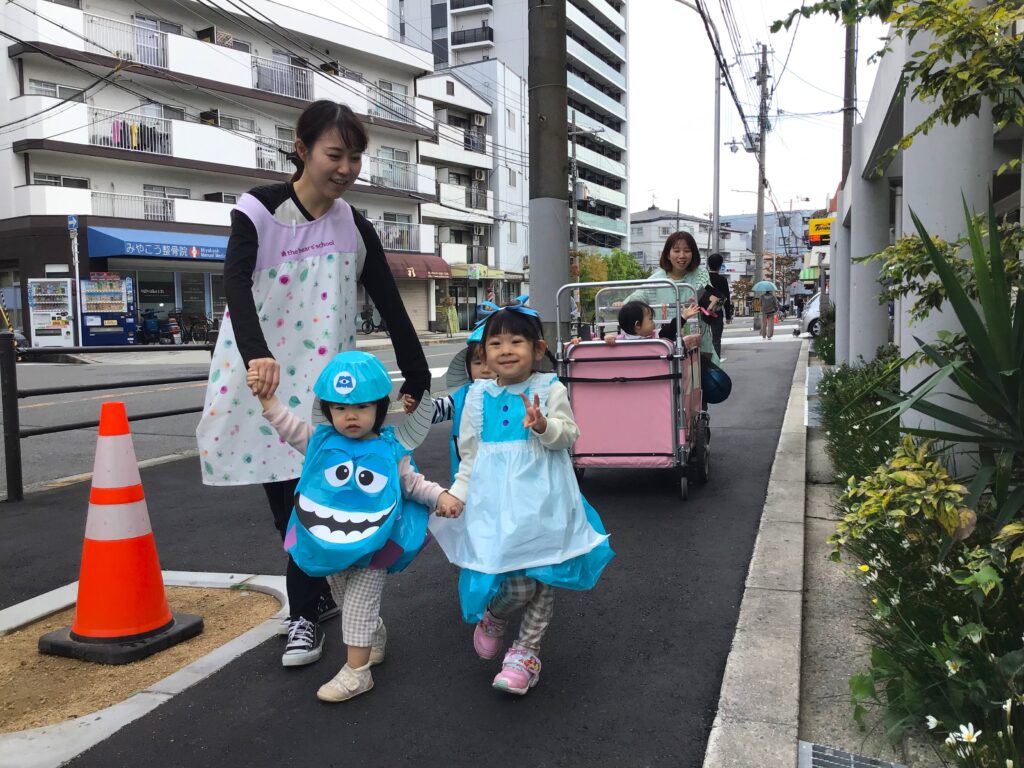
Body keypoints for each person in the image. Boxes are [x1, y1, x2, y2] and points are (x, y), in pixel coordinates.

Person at [196, 101, 431, 669]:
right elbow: (235, 285)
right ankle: (319, 597)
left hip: (330, 385)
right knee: (285, 506)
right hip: (263, 378)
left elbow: (387, 299)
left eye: (355, 156)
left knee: (316, 497)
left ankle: (304, 615)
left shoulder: (354, 225)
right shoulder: (258, 209)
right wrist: (257, 355)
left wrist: (415, 368)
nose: (346, 167)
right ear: (302, 150)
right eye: (335, 154)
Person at [248, 351, 463, 702]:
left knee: (359, 605)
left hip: (373, 546)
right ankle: (372, 635)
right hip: (327, 545)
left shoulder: (390, 449)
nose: (350, 416)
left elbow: (412, 483)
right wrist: (267, 398)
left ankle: (357, 673)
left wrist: (440, 496)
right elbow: (287, 425)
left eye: (362, 407)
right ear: (327, 409)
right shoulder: (319, 442)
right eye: (340, 408)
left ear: (379, 408)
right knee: (347, 601)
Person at [430, 303, 615, 696]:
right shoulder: (478, 397)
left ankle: (525, 655)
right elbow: (471, 456)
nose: (506, 349)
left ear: (538, 348)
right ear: (483, 354)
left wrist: (544, 425)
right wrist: (457, 495)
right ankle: (495, 616)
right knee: (517, 587)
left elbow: (569, 435)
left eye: (516, 340)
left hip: (545, 503)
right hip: (499, 509)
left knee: (544, 581)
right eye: (495, 342)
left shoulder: (549, 389)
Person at [402, 325, 495, 482]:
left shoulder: (513, 394)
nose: (485, 370)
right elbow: (437, 410)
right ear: (467, 367)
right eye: (477, 363)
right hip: (466, 479)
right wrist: (418, 405)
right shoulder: (462, 396)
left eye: (490, 363)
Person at [625, 231, 719, 365]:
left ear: (693, 254)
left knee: (712, 383)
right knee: (671, 382)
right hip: (667, 344)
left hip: (697, 343)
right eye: (676, 251)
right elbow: (639, 296)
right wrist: (622, 304)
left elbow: (706, 292)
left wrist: (707, 301)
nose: (682, 255)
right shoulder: (656, 279)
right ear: (668, 255)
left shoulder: (700, 274)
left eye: (687, 251)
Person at [603, 299, 700, 344]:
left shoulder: (658, 335)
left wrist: (683, 317)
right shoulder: (620, 340)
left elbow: (672, 328)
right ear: (638, 325)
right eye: (650, 318)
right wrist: (608, 339)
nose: (653, 321)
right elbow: (603, 341)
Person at [705, 253, 733, 361]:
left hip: (702, 312)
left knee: (704, 339)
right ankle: (716, 362)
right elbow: (726, 298)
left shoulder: (704, 279)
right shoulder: (722, 280)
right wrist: (728, 316)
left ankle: (705, 362)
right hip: (717, 313)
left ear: (708, 264)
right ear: (720, 265)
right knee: (716, 340)